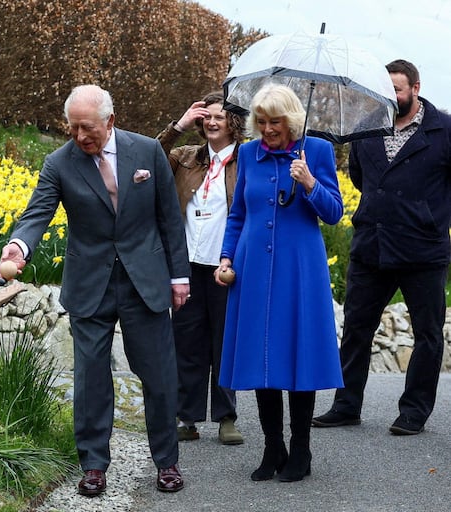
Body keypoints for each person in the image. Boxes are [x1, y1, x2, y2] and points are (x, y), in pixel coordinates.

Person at [0, 84, 191, 496]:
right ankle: (94, 465)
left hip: (145, 280)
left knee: (158, 375)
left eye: (88, 128)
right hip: (90, 283)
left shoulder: (147, 153)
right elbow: (38, 212)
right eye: (73, 129)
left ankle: (167, 462)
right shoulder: (59, 163)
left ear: (111, 122)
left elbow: (169, 218)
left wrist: (179, 276)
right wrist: (19, 245)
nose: (81, 137)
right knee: (90, 378)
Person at [313, 59, 451, 435]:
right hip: (372, 242)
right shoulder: (366, 127)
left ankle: (413, 412)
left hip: (422, 248)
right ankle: (346, 405)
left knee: (427, 332)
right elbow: (358, 177)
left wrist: (430, 216)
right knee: (357, 327)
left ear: (416, 89)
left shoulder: (444, 129)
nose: (392, 96)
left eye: (398, 89)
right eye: (386, 89)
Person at [216, 84, 343, 482]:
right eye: (262, 122)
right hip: (252, 268)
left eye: (275, 122)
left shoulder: (316, 152)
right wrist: (225, 257)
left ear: (291, 120)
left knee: (297, 353)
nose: (268, 129)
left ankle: (301, 450)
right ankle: (273, 447)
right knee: (260, 355)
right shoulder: (248, 155)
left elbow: (334, 212)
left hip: (299, 268)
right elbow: (238, 214)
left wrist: (308, 182)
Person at [156, 92, 245, 445]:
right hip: (187, 265)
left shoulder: (245, 160)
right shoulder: (186, 158)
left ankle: (226, 417)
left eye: (219, 117)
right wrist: (177, 127)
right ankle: (187, 417)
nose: (211, 122)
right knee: (187, 342)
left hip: (225, 267)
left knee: (225, 343)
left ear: (233, 122)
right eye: (206, 117)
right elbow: (148, 156)